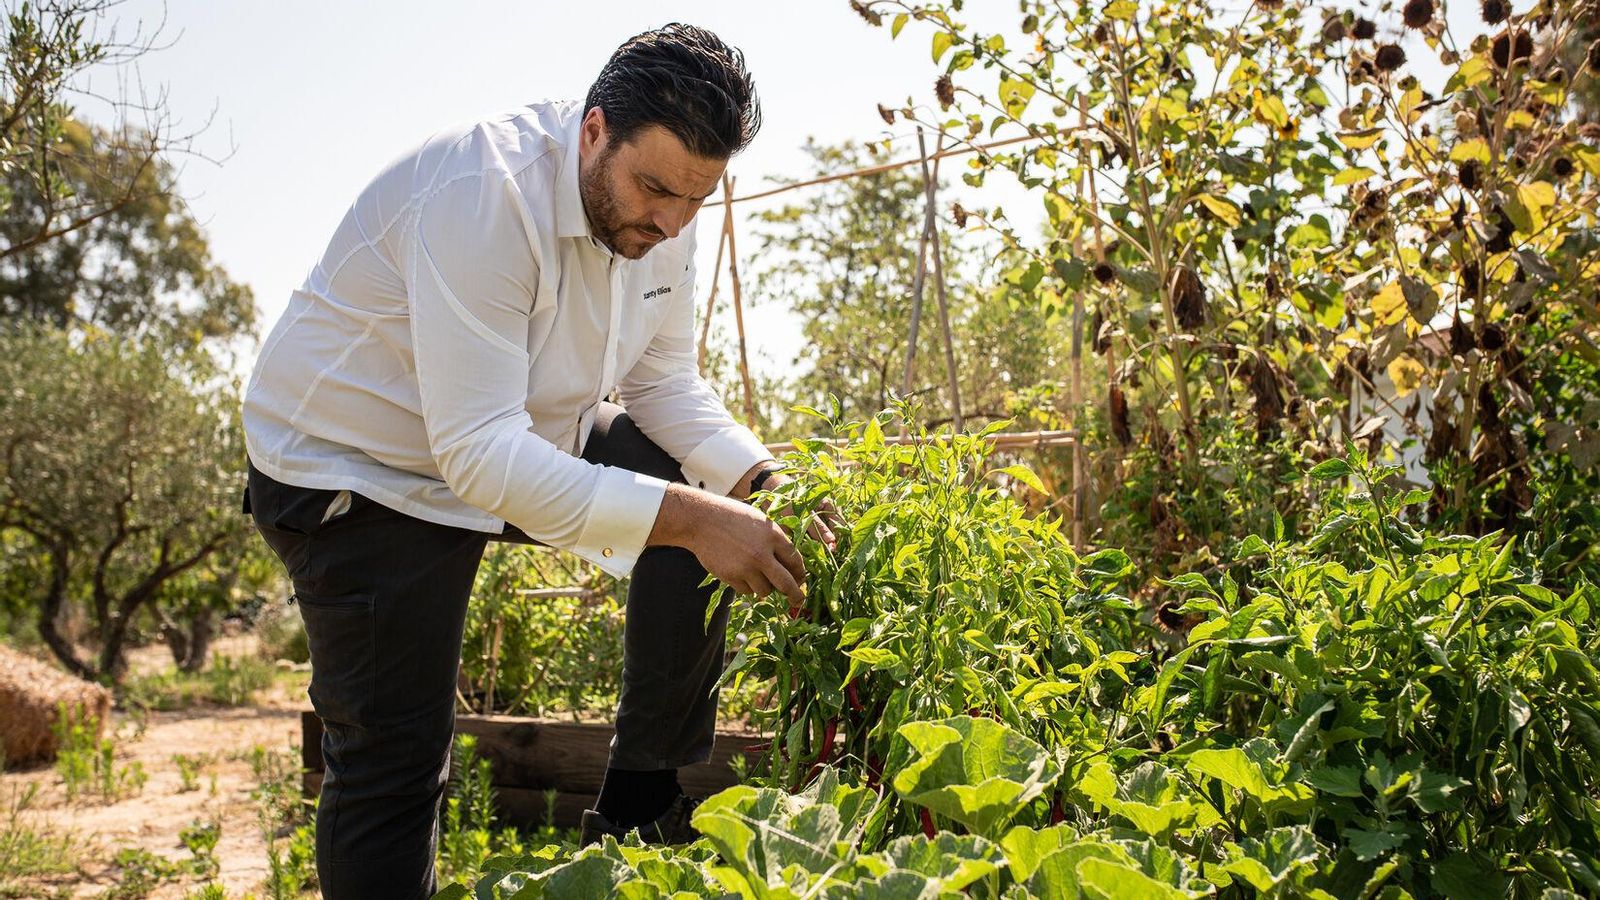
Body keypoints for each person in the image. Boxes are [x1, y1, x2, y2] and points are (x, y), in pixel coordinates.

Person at [239, 23, 830, 900]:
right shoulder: (485, 194)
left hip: (510, 431)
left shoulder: (667, 218)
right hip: (356, 468)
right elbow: (478, 458)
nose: (669, 222)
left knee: (689, 486)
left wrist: (765, 486)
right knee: (397, 762)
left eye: (694, 201)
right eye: (654, 188)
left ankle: (640, 803)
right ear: (593, 131)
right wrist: (699, 519)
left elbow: (661, 381)